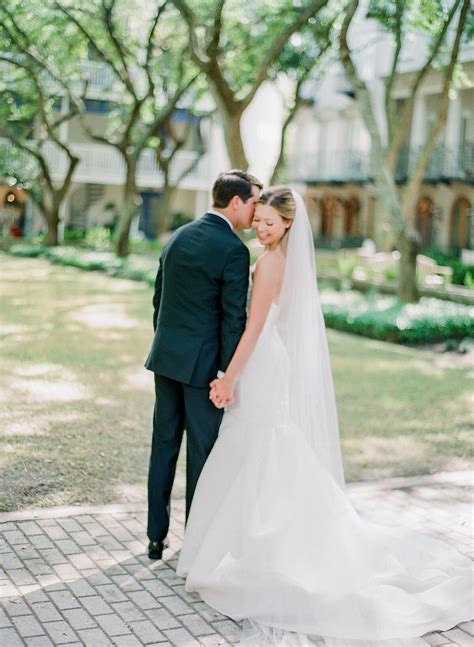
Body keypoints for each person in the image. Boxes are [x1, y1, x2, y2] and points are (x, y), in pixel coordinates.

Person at [177, 187, 473, 646]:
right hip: (269, 361)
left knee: (261, 448)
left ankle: (269, 551)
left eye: (271, 224)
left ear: (289, 225)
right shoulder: (281, 258)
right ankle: (259, 546)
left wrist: (229, 377)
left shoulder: (272, 263)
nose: (261, 228)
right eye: (259, 221)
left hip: (259, 363)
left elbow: (255, 327)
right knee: (261, 449)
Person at [144, 170, 263, 560]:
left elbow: (158, 299)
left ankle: (155, 538)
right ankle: (195, 541)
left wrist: (166, 344)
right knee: (203, 453)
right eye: (253, 203)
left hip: (166, 358)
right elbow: (233, 319)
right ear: (235, 202)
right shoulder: (233, 249)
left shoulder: (177, 236)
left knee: (163, 445)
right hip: (203, 370)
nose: (256, 211)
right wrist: (226, 374)